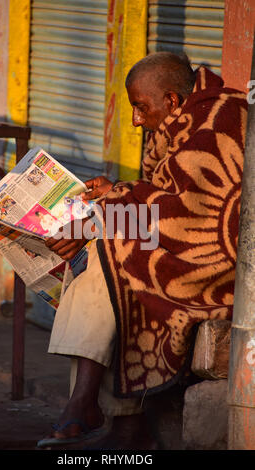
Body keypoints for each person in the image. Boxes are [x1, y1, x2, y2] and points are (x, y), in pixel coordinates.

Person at [37, 51, 247, 449]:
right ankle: (101, 413)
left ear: (170, 100)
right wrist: (115, 190)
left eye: (139, 107)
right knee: (104, 247)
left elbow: (198, 215)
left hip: (221, 268)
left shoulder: (221, 119)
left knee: (106, 249)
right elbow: (165, 194)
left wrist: (115, 201)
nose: (135, 119)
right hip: (185, 246)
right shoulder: (179, 119)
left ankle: (93, 409)